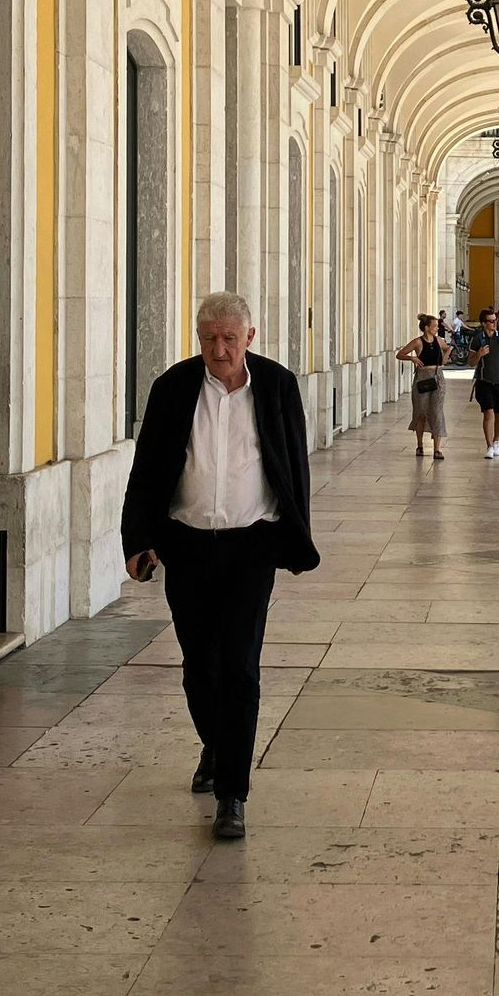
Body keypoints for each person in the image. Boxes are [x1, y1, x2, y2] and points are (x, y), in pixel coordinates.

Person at [120, 292, 320, 840]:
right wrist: (139, 539)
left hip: (251, 545)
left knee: (241, 666)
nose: (219, 348)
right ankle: (216, 741)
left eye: (230, 338)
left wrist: (292, 536)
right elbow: (148, 469)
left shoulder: (277, 387)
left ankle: (232, 793)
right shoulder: (173, 388)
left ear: (249, 337)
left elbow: (292, 464)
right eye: (210, 338)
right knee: (198, 667)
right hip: (186, 544)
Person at [397, 311, 449, 460]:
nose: (437, 328)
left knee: (437, 412)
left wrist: (448, 352)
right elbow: (400, 354)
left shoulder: (439, 341)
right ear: (427, 327)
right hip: (422, 379)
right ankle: (420, 445)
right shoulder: (418, 342)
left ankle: (437, 449)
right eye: (435, 326)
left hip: (438, 377)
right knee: (421, 413)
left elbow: (445, 354)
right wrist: (412, 358)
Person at [470, 305, 499, 458]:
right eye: (490, 321)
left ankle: (496, 440)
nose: (494, 323)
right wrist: (479, 354)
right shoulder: (477, 339)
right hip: (484, 381)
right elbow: (470, 362)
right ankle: (489, 445)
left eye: (495, 320)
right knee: (488, 413)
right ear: (483, 323)